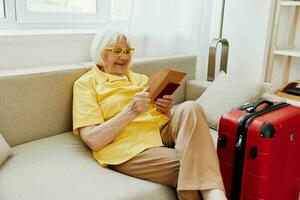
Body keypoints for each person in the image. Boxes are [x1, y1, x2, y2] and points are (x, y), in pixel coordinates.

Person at [72, 28, 227, 200]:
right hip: (129, 148)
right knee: (194, 162)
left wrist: (165, 109)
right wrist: (131, 111)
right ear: (102, 53)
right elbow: (93, 139)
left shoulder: (140, 79)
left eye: (127, 51)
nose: (123, 57)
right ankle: (216, 196)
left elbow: (163, 119)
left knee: (191, 107)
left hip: (159, 133)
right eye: (117, 51)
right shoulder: (86, 84)